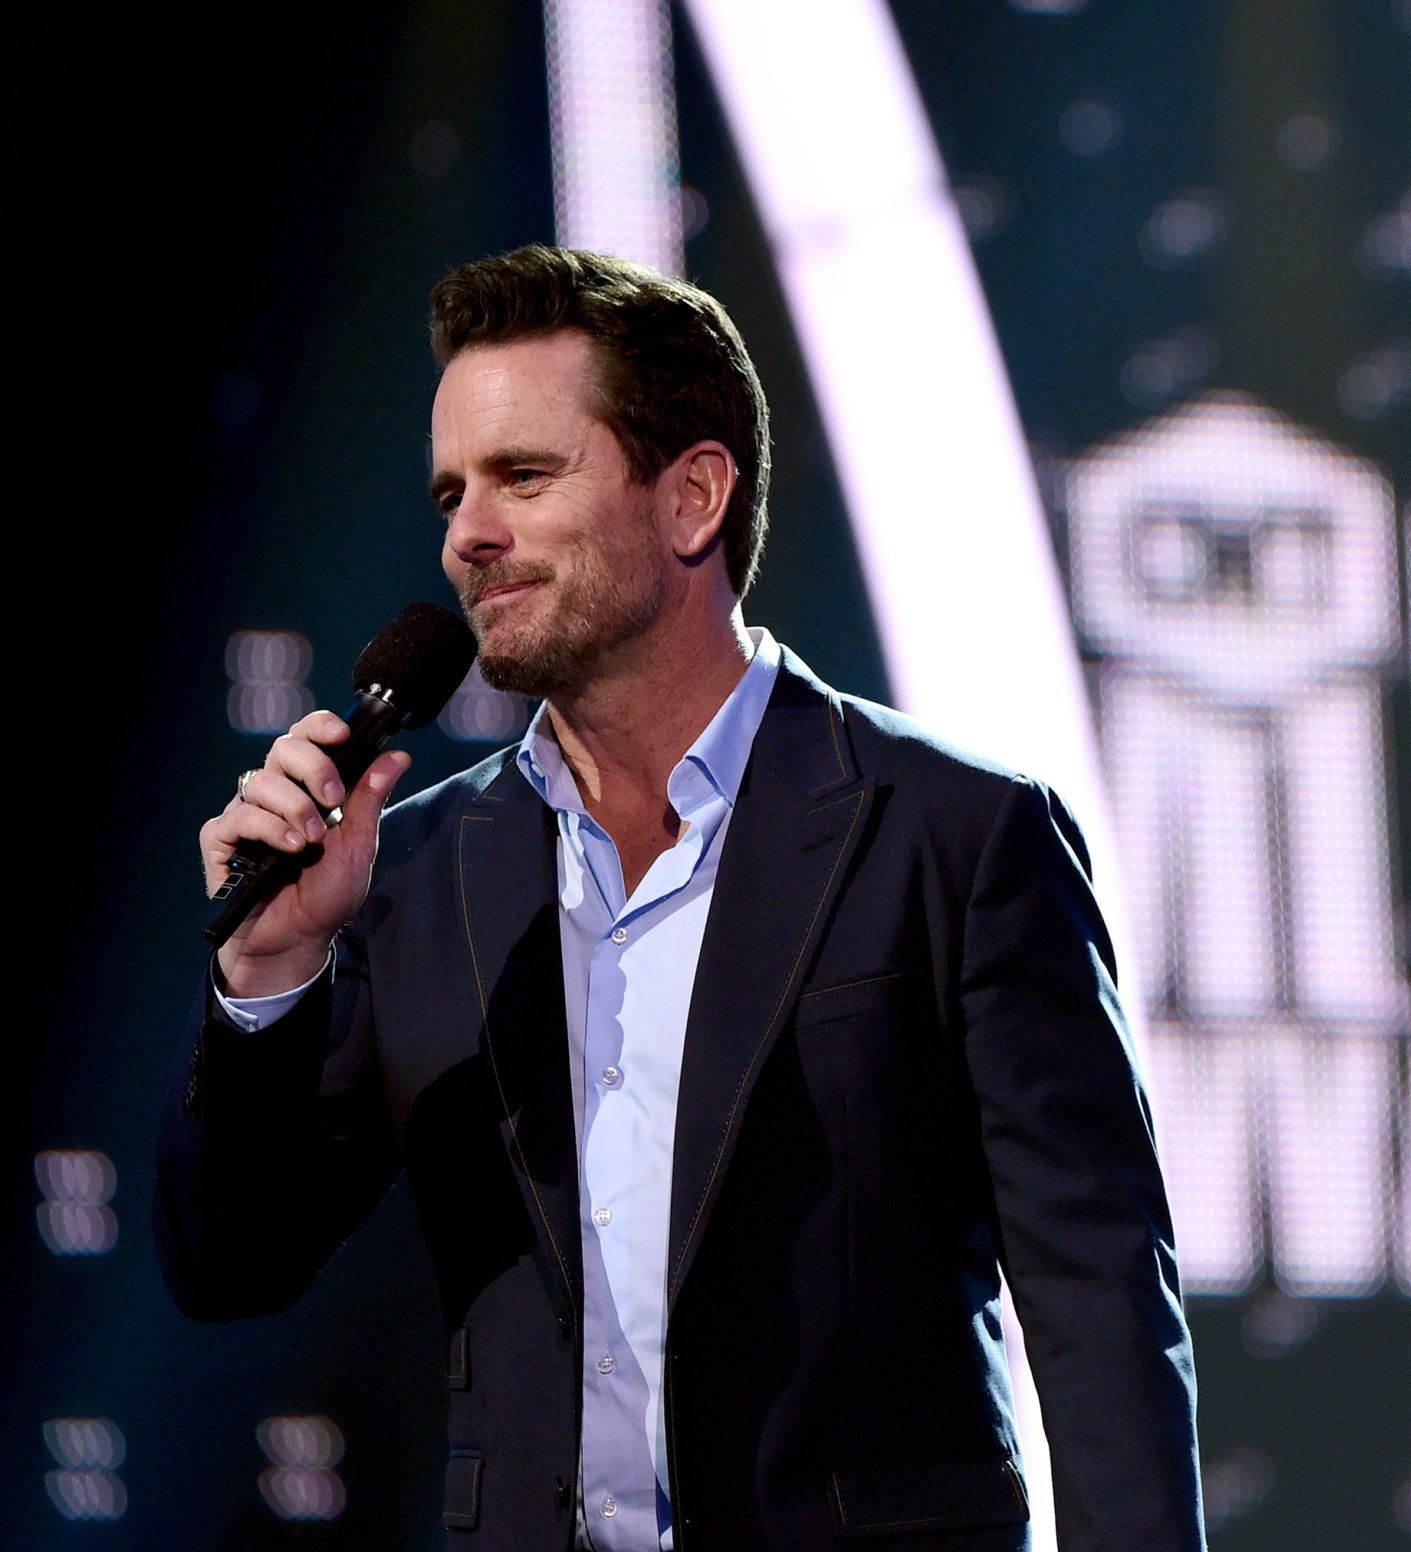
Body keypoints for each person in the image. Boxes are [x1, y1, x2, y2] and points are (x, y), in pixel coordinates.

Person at [158, 245, 1202, 1551]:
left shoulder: (956, 835)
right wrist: (267, 979)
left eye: (524, 476)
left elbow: (1100, 1306)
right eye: (452, 492)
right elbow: (232, 1266)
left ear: (693, 495)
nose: (467, 534)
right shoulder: (412, 872)